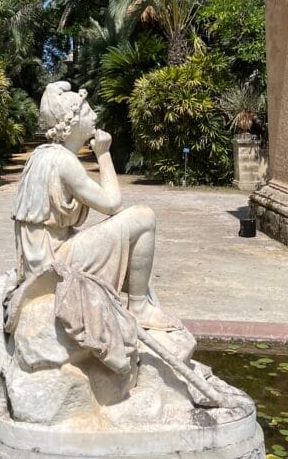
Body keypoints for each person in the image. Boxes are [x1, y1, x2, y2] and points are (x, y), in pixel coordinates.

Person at [12, 81, 179, 332]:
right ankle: (139, 307)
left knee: (125, 233)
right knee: (144, 218)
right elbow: (112, 203)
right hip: (55, 266)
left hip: (41, 260)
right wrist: (104, 154)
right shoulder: (64, 162)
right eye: (88, 111)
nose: (95, 115)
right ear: (73, 121)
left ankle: (140, 300)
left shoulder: (41, 156)